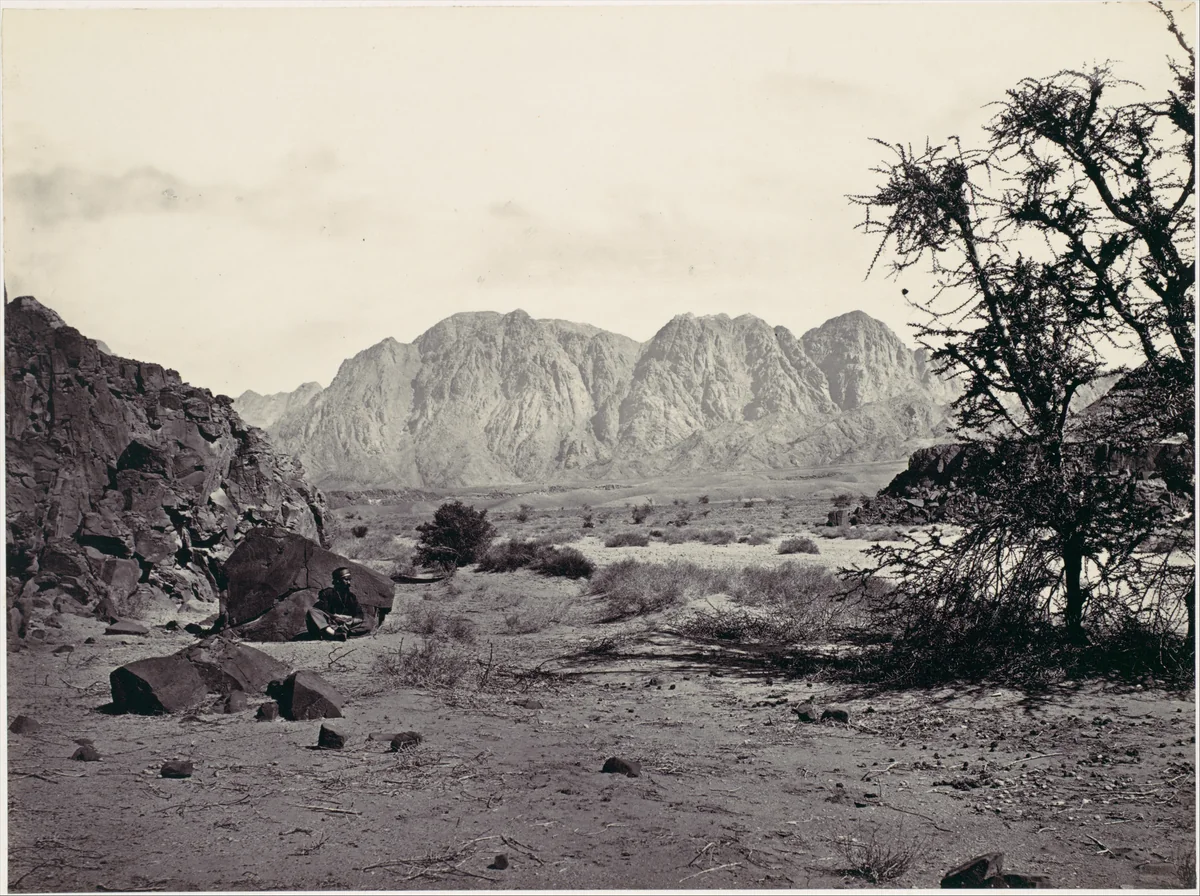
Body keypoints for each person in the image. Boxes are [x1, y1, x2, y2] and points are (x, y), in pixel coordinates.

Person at [306, 567, 366, 641]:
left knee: (368, 620)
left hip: (347, 624)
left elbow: (359, 613)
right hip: (330, 623)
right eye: (346, 580)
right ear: (338, 581)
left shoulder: (351, 596)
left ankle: (342, 633)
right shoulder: (327, 593)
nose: (349, 583)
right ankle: (334, 634)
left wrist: (350, 621)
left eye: (350, 580)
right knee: (312, 611)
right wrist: (335, 617)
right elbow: (320, 609)